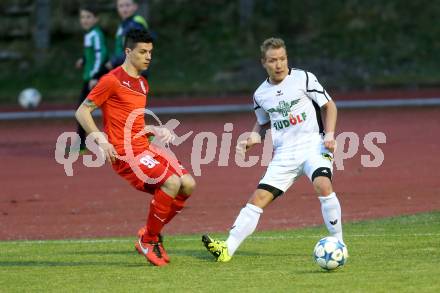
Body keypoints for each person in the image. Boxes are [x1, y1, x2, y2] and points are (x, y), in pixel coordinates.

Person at [202, 37, 344, 262]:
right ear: (263, 63)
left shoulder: (303, 78)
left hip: (313, 146)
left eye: (282, 59)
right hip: (284, 154)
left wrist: (330, 135)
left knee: (322, 184)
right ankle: (226, 249)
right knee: (258, 198)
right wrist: (252, 138)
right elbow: (262, 122)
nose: (279, 65)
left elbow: (330, 106)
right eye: (273, 60)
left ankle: (339, 243)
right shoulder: (260, 94)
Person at [75, 29, 196, 267]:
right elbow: (82, 111)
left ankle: (149, 234)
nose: (148, 56)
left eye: (150, 52)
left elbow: (134, 121)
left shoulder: (142, 83)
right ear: (128, 51)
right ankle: (150, 240)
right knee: (171, 182)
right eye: (142, 52)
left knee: (188, 184)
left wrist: (153, 130)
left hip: (144, 148)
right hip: (125, 154)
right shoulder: (111, 80)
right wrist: (101, 139)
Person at [74, 4, 108, 152]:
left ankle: (81, 144)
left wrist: (95, 76)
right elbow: (92, 54)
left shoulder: (95, 34)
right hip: (90, 77)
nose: (85, 20)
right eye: (82, 17)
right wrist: (83, 59)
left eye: (88, 17)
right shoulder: (89, 34)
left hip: (93, 78)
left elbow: (101, 55)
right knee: (85, 110)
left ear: (96, 19)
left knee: (82, 110)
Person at [106, 0, 149, 70]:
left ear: (135, 6)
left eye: (127, 5)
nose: (124, 9)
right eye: (121, 6)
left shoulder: (136, 24)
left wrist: (114, 61)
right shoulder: (123, 24)